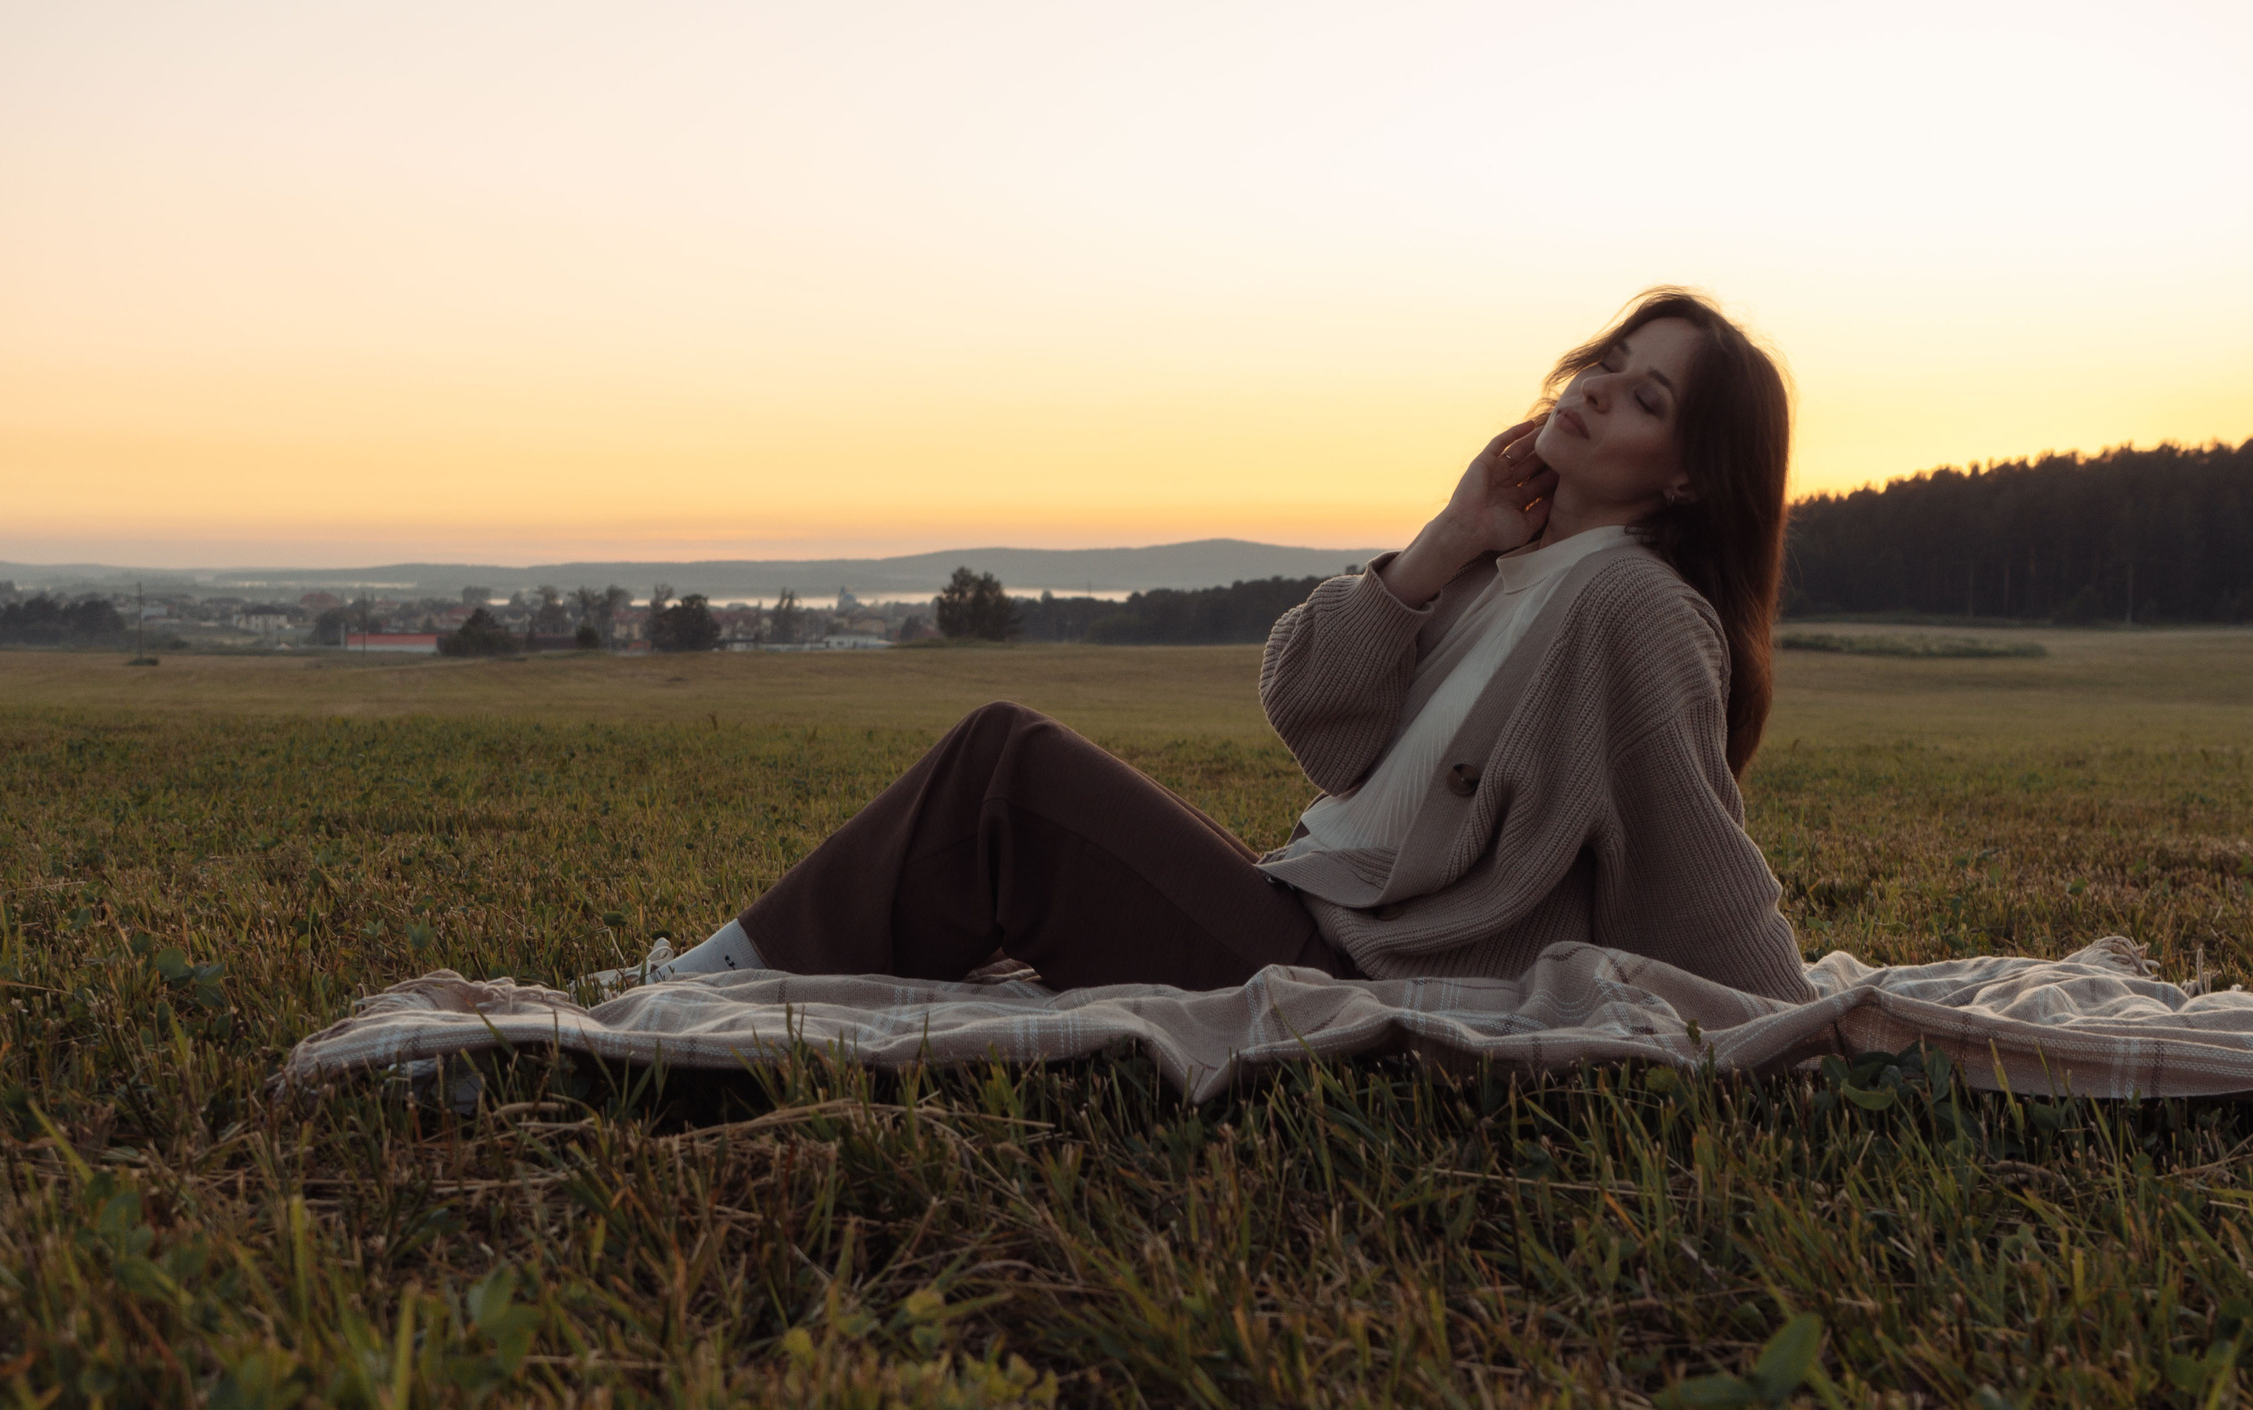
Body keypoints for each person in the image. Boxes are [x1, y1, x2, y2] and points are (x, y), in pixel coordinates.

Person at [628, 288, 1815, 1004]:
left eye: (1647, 398)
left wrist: (1808, 1037)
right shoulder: (1512, 567)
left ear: (1692, 475)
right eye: (1610, 361)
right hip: (1292, 915)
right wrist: (1444, 542)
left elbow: (1693, 862)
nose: (1602, 389)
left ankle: (710, 991)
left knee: (1008, 769)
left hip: (1349, 982)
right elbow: (1313, 713)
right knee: (1006, 789)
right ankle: (755, 977)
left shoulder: (1634, 608)